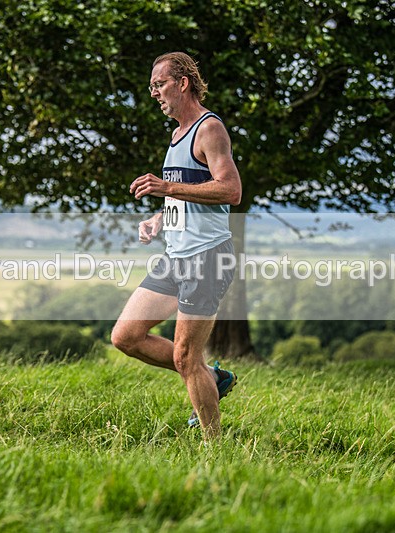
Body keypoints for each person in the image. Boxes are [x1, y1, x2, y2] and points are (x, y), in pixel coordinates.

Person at [111, 52, 242, 440]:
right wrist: (159, 219)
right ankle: (212, 376)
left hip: (207, 258)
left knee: (186, 357)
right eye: (152, 86)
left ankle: (214, 446)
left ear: (182, 83)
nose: (154, 93)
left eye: (159, 84)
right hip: (176, 256)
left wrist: (166, 186)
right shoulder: (176, 136)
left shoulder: (209, 128)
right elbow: (186, 200)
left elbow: (230, 190)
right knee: (126, 337)